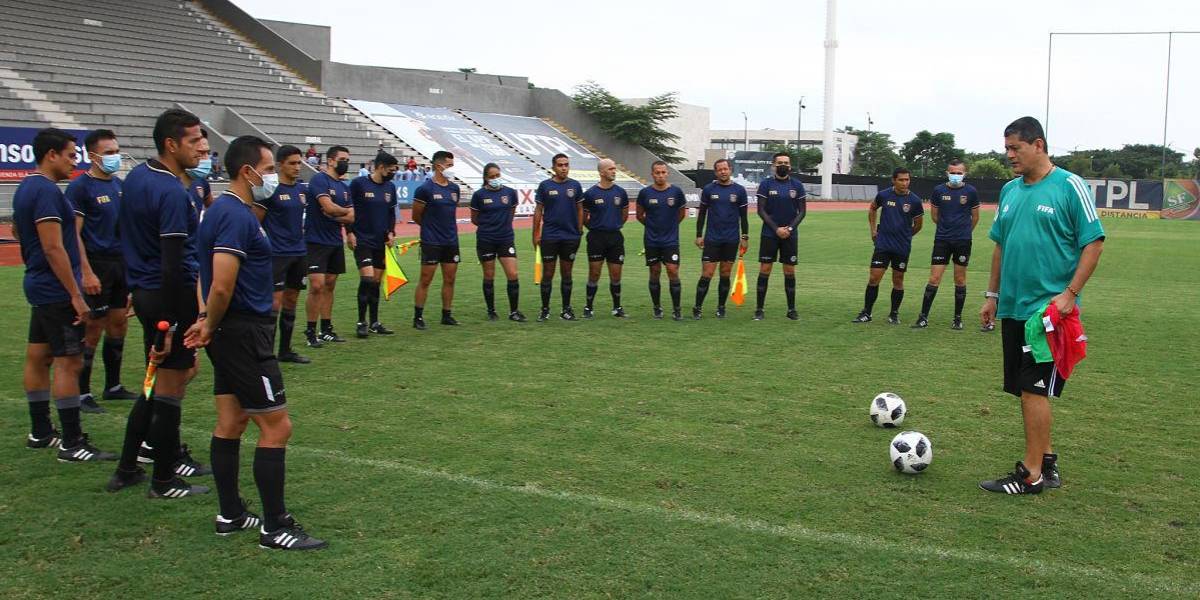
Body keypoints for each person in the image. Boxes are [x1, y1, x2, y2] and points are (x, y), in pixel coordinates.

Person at [186, 134, 327, 549]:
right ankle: (275, 525)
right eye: (267, 169)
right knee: (277, 425)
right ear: (247, 171)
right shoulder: (235, 215)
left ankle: (230, 513)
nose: (272, 177)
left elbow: (203, 275)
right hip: (244, 332)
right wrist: (210, 322)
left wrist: (204, 319)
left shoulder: (220, 211)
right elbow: (222, 283)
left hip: (230, 331)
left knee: (231, 420)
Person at [978, 116, 1105, 495]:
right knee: (1024, 388)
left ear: (1039, 144)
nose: (1009, 156)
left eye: (1015, 148)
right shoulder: (1010, 191)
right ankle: (1046, 462)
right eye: (1006, 149)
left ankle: (1031, 475)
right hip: (1014, 307)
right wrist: (992, 295)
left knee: (1034, 388)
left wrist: (1069, 293)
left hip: (1048, 313)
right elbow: (1001, 244)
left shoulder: (1069, 186)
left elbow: (1094, 242)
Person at [109, 109, 211, 497]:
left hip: (148, 293)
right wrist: (170, 323)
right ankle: (164, 479)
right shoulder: (171, 191)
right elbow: (172, 264)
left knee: (156, 384)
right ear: (171, 144)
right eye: (193, 140)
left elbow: (127, 239)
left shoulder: (136, 178)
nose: (202, 147)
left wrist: (137, 289)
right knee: (170, 387)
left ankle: (126, 467)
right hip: (170, 297)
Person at [14, 128, 116, 463]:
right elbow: (53, 246)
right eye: (71, 155)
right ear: (51, 155)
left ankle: (41, 431)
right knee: (69, 361)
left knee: (39, 356)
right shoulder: (45, 191)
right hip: (56, 289)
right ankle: (72, 443)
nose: (75, 162)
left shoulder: (27, 186)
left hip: (40, 284)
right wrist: (75, 293)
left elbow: (18, 230)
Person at [64, 129, 136, 416]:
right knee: (93, 327)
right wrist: (86, 271)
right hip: (96, 264)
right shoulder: (80, 188)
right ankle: (82, 391)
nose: (114, 157)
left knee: (119, 323)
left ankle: (113, 386)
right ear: (92, 156)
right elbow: (75, 235)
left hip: (120, 264)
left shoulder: (120, 186)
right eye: (108, 152)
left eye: (116, 150)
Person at [253, 145, 311, 364]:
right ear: (279, 165)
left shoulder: (301, 190)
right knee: (274, 303)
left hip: (299, 253)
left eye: (299, 163)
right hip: (276, 255)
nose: (297, 167)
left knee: (291, 300)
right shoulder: (269, 191)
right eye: (292, 163)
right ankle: (266, 352)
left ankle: (285, 350)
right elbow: (254, 223)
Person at [853, 168, 924, 324]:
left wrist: (906, 235)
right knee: (874, 278)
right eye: (901, 180)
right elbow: (872, 208)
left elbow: (918, 225)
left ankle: (893, 314)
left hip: (902, 247)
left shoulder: (915, 201)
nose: (905, 183)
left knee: (898, 280)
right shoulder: (884, 195)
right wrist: (873, 230)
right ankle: (867, 313)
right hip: (883, 244)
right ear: (893, 180)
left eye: (907, 179)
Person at [915, 159, 980, 330]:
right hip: (942, 240)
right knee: (934, 278)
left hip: (963, 241)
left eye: (959, 173)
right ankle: (923, 317)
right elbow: (935, 216)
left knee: (960, 279)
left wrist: (964, 232)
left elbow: (975, 217)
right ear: (947, 173)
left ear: (964, 174)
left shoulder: (971, 191)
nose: (956, 176)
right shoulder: (939, 190)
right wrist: (947, 229)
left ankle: (957, 319)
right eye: (953, 172)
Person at [304, 146, 355, 346]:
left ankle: (326, 328)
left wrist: (337, 212)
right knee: (316, 285)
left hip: (335, 240)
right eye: (342, 159)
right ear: (331, 161)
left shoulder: (344, 187)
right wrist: (339, 212)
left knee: (330, 284)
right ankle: (310, 331)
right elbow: (327, 207)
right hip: (316, 240)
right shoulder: (319, 180)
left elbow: (351, 216)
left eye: (347, 159)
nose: (345, 163)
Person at [348, 151, 399, 338]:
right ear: (380, 167)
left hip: (380, 241)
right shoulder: (358, 184)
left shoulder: (390, 188)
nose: (393, 173)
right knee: (367, 279)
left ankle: (374, 322)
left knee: (376, 283)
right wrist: (349, 232)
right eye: (391, 170)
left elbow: (391, 213)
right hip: (363, 240)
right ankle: (361, 322)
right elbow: (348, 209)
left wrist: (391, 232)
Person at [754, 152, 807, 321]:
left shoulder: (797, 185)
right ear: (773, 165)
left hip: (790, 235)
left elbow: (802, 211)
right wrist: (776, 229)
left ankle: (791, 309)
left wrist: (789, 228)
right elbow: (761, 210)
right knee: (765, 270)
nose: (783, 165)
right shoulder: (766, 184)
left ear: (790, 166)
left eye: (786, 163)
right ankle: (759, 309)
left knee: (789, 271)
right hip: (769, 233)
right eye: (780, 163)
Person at [693, 158, 749, 319]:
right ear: (716, 172)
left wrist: (744, 237)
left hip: (731, 239)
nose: (723, 172)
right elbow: (702, 213)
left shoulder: (739, 191)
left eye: (725, 169)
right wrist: (698, 235)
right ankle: (697, 307)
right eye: (719, 169)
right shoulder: (709, 189)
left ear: (730, 170)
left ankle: (721, 307)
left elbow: (743, 217)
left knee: (725, 274)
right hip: (712, 239)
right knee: (707, 273)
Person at [531, 153, 584, 321]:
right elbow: (538, 210)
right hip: (550, 236)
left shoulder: (575, 185)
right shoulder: (545, 186)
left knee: (567, 273)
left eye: (566, 164)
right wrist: (536, 233)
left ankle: (566, 310)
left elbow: (580, 208)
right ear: (553, 167)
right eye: (560, 165)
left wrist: (579, 229)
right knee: (548, 274)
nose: (564, 168)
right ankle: (545, 310)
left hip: (570, 236)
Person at [411, 150, 461, 329]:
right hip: (432, 241)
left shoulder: (454, 188)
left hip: (451, 241)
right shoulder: (425, 189)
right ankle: (418, 316)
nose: (452, 168)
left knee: (450, 279)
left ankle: (446, 314)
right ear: (438, 166)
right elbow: (417, 216)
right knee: (425, 280)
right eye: (449, 165)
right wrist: (430, 230)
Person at [469, 162, 525, 321]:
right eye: (492, 176)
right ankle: (491, 310)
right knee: (489, 275)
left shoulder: (510, 193)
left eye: (497, 175)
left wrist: (502, 226)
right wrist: (489, 226)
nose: (495, 179)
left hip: (505, 238)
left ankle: (514, 312)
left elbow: (511, 213)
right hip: (486, 239)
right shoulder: (479, 195)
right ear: (486, 178)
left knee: (513, 274)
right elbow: (475, 219)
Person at [636, 160, 687, 320]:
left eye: (663, 172)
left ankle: (677, 309)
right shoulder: (645, 193)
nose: (660, 175)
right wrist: (652, 226)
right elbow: (639, 215)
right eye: (657, 172)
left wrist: (669, 227)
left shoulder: (676, 192)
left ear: (667, 173)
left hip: (670, 240)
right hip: (651, 241)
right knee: (654, 272)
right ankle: (657, 308)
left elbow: (681, 214)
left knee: (672, 270)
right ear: (652, 174)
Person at [581, 158, 630, 318]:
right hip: (596, 238)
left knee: (616, 275)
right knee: (594, 274)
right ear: (602, 172)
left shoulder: (620, 192)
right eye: (610, 169)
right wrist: (596, 227)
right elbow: (583, 216)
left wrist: (613, 225)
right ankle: (588, 308)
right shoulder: (590, 194)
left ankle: (617, 308)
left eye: (614, 168)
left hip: (615, 238)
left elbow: (624, 215)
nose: (614, 171)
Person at [182, 129, 213, 213]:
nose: (206, 158)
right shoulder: (168, 186)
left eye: (207, 153)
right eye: (201, 153)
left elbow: (213, 208)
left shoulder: (202, 182)